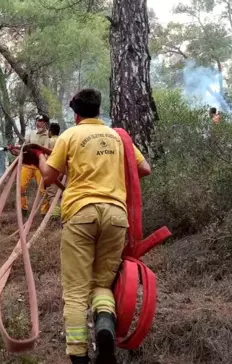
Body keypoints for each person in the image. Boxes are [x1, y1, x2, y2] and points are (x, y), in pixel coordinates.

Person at [25, 89, 151, 364]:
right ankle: (104, 325)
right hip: (116, 217)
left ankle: (79, 356)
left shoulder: (70, 136)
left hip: (81, 214)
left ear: (75, 113)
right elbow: (144, 169)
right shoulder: (119, 137)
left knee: (76, 290)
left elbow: (47, 178)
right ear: (98, 109)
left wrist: (39, 158)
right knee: (102, 283)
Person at [19, 114, 51, 217]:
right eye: (37, 120)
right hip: (27, 165)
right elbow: (24, 146)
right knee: (21, 187)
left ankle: (44, 212)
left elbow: (45, 151)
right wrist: (17, 149)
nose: (38, 123)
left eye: (41, 121)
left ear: (45, 123)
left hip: (39, 166)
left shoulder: (47, 136)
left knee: (43, 190)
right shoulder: (30, 133)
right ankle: (23, 209)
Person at [46, 122, 62, 218]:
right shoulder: (62, 140)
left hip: (53, 169)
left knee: (52, 193)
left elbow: (45, 155)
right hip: (64, 171)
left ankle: (55, 215)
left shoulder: (49, 141)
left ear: (50, 131)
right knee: (63, 192)